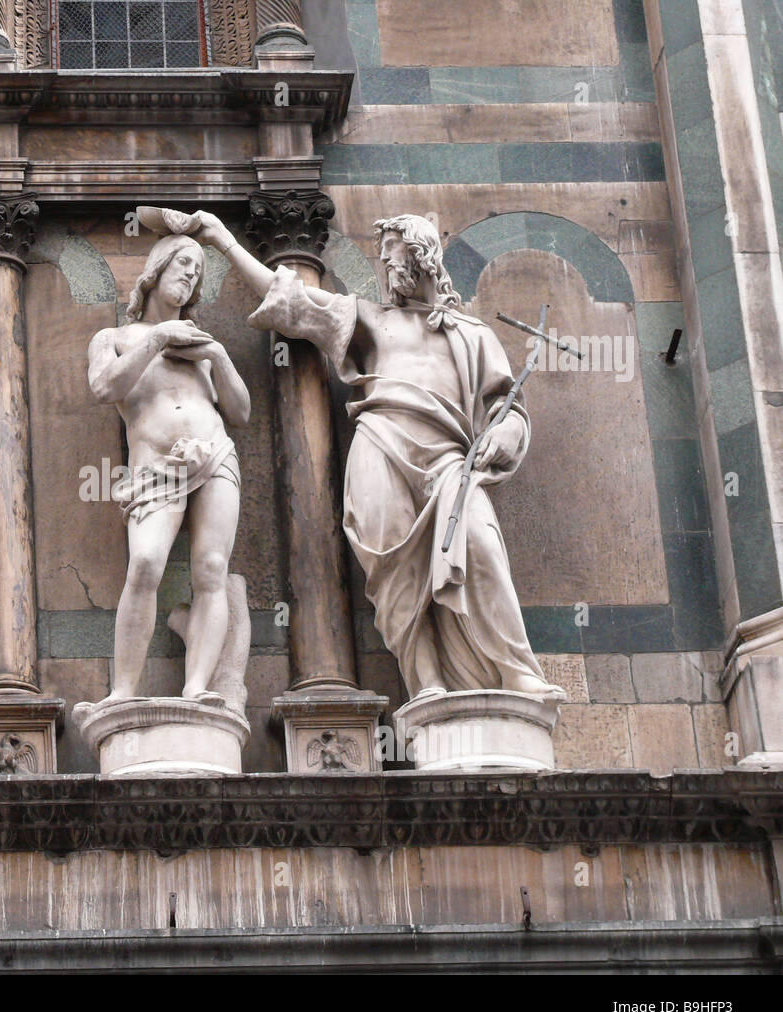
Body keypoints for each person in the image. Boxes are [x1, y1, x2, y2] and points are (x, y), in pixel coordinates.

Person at [190, 210, 563, 702]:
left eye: (392, 251)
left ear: (421, 253)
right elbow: (290, 296)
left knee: (480, 544)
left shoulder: (472, 334)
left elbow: (505, 405)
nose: (385, 262)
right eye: (383, 254)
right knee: (395, 570)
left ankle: (516, 670)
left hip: (451, 460)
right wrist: (224, 239)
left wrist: (509, 431)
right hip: (381, 444)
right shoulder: (372, 319)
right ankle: (426, 683)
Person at [87, 233, 251, 705]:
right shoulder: (114, 338)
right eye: (183, 263)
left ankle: (196, 685)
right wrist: (158, 338)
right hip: (155, 466)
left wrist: (216, 355)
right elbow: (104, 388)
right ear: (156, 270)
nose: (190, 274)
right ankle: (123, 691)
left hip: (215, 454)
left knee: (212, 568)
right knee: (144, 564)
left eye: (197, 271)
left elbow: (240, 412)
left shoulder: (203, 344)